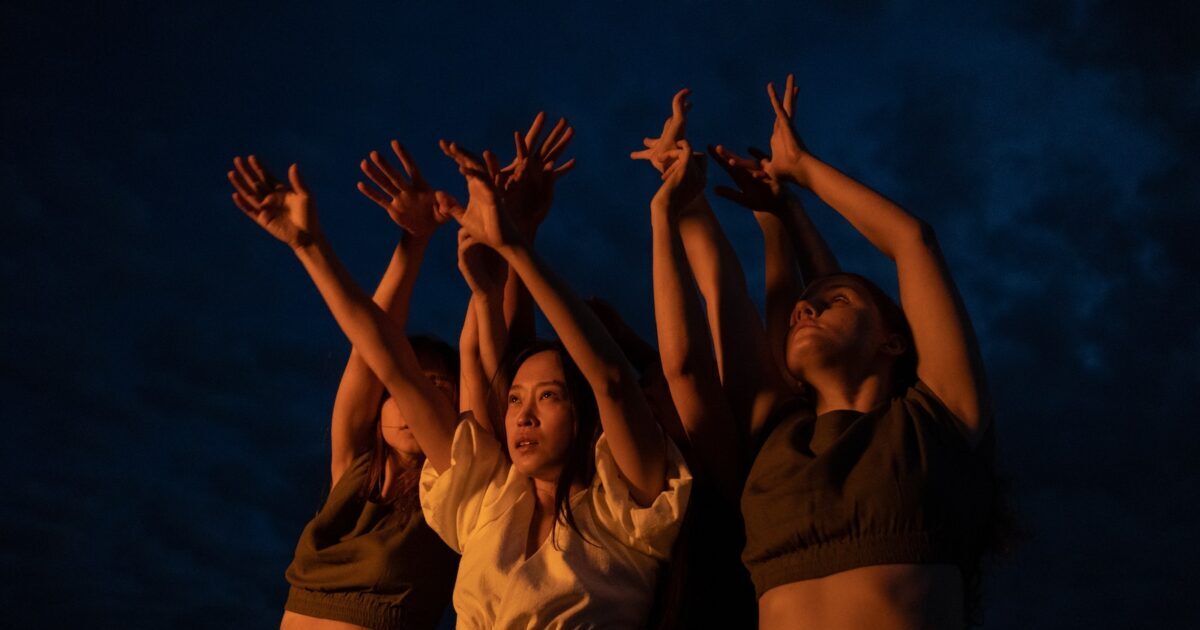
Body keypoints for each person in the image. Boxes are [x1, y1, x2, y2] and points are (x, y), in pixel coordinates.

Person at [714, 74, 998, 629]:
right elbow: (810, 297)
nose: (804, 311)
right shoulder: (780, 443)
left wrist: (802, 169)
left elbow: (912, 241)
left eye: (832, 303)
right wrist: (780, 215)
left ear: (892, 341)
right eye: (801, 308)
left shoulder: (930, 424)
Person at [416, 130, 692, 628]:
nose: (523, 414)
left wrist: (518, 246)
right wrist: (490, 280)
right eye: (517, 399)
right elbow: (489, 360)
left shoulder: (625, 506)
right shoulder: (494, 504)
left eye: (549, 397)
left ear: (584, 414)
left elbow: (609, 380)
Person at [227, 145, 461, 630]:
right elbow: (372, 351)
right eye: (402, 387)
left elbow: (392, 363)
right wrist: (311, 243)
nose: (415, 398)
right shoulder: (353, 472)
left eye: (438, 386)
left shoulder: (454, 487)